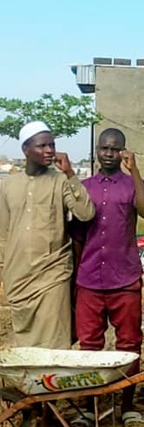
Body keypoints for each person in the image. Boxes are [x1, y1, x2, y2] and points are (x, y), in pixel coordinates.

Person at [73, 128, 144, 426]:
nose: (109, 153)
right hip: (90, 280)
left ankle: (127, 406)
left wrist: (134, 172)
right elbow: (78, 237)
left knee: (130, 343)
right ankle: (89, 408)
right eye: (104, 148)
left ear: (123, 152)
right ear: (97, 150)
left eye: (115, 149)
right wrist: (76, 278)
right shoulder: (84, 188)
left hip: (125, 279)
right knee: (90, 346)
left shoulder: (134, 185)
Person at [0, 121, 95, 349]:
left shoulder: (61, 180)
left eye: (51, 145)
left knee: (55, 337)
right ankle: (32, 382)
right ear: (25, 149)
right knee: (25, 338)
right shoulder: (7, 185)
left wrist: (71, 173)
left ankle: (53, 381)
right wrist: (4, 270)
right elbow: (3, 233)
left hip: (53, 272)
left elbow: (86, 213)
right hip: (18, 275)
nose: (50, 150)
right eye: (42, 146)